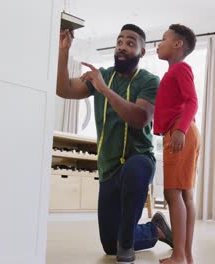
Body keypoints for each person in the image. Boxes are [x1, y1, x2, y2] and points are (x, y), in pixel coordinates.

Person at [56, 24, 173, 264]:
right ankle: (155, 229)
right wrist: (63, 51)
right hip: (109, 168)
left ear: (141, 52)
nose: (122, 47)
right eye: (120, 42)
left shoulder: (150, 81)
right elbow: (63, 89)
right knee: (110, 244)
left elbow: (139, 119)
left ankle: (127, 244)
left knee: (135, 168)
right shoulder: (103, 76)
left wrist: (103, 89)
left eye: (130, 43)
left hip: (139, 161)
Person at [153, 24, 200, 264]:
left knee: (173, 193)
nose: (158, 44)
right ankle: (186, 255)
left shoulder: (180, 69)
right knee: (185, 195)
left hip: (180, 132)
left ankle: (179, 255)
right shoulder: (173, 72)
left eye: (163, 39)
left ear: (178, 44)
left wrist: (180, 130)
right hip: (185, 131)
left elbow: (193, 101)